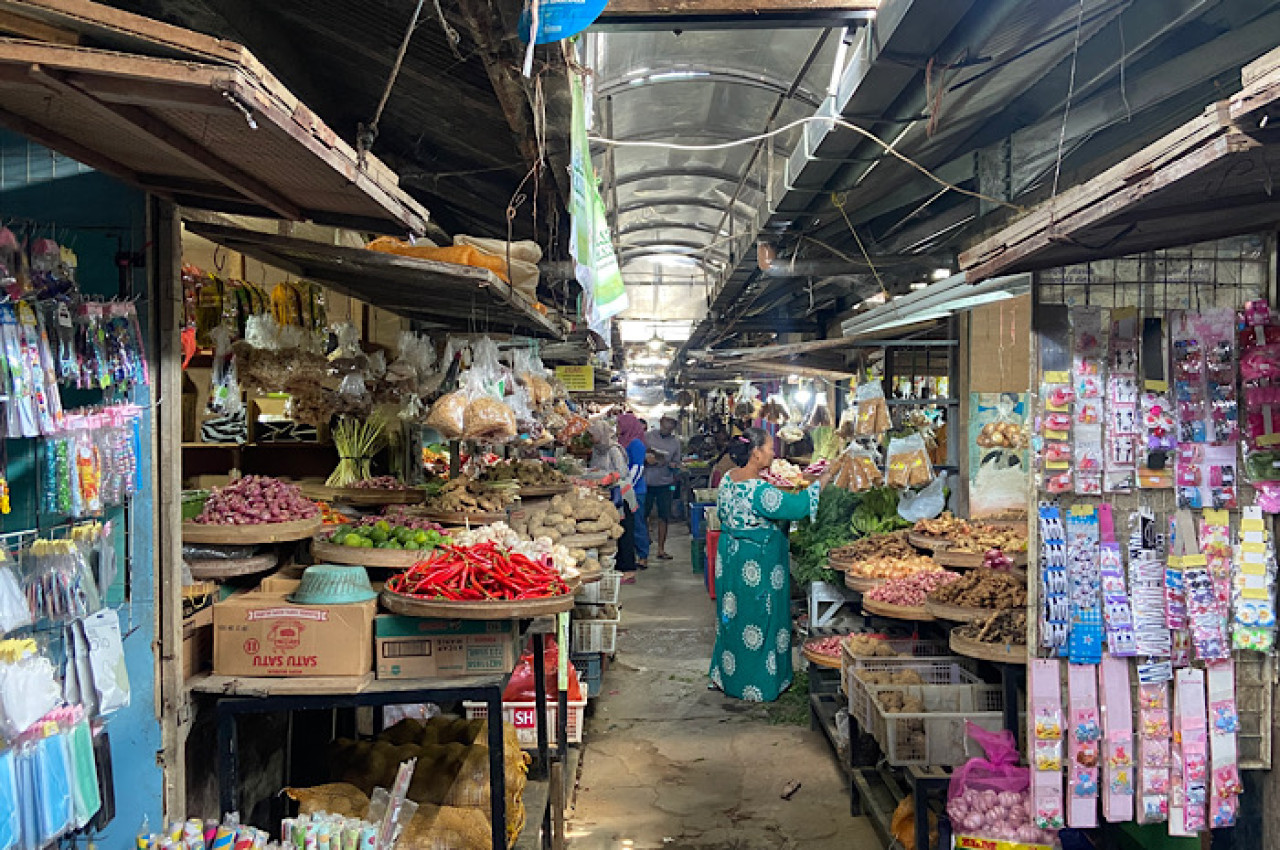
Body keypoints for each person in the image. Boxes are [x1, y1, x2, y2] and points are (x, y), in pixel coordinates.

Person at [710, 427, 830, 702]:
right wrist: (823, 480)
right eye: (769, 448)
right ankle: (759, 684)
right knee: (761, 619)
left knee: (733, 616)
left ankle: (729, 676)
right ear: (755, 453)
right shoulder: (759, 491)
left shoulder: (728, 479)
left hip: (730, 559)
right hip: (758, 563)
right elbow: (798, 506)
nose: (774, 453)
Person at [615, 413, 648, 584]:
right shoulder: (622, 442)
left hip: (635, 491)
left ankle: (642, 555)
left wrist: (628, 487)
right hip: (625, 489)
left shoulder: (636, 443)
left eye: (620, 425)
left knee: (637, 524)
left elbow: (637, 468)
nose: (618, 428)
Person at [644, 415, 683, 560]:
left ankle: (661, 549)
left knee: (664, 516)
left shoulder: (675, 443)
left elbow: (677, 462)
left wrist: (674, 465)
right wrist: (647, 460)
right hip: (647, 482)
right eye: (667, 422)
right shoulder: (647, 437)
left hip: (665, 483)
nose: (669, 426)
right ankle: (644, 547)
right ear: (661, 422)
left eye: (672, 423)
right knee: (644, 515)